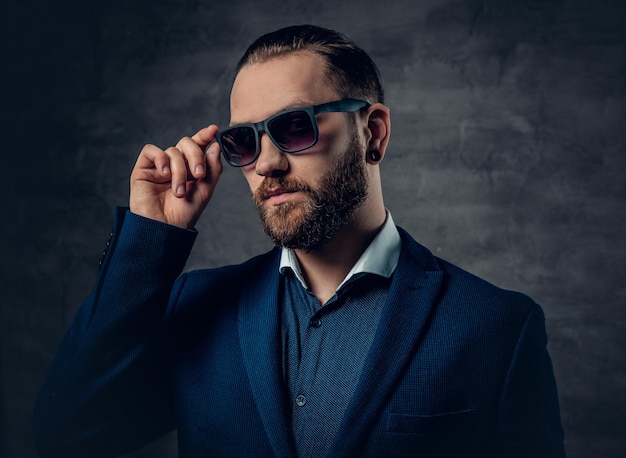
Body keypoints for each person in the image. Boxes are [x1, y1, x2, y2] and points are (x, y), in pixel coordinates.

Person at [32, 24, 565, 457]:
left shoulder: (497, 327)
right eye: (243, 141)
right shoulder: (196, 309)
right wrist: (151, 239)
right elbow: (68, 435)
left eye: (294, 127)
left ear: (373, 133)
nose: (266, 163)